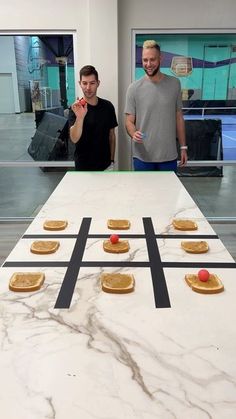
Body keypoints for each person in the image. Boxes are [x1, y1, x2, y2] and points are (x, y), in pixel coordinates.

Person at [125, 40, 188, 171]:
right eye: (145, 60)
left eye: (152, 59)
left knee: (168, 192)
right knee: (143, 192)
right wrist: (133, 133)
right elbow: (129, 121)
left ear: (160, 59)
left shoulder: (174, 84)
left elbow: (179, 118)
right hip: (142, 157)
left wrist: (183, 147)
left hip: (168, 156)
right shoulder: (133, 88)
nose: (148, 64)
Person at [69, 65, 118, 171]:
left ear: (98, 83)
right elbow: (74, 138)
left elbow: (112, 135)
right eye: (84, 83)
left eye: (92, 83)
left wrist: (112, 161)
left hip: (105, 166)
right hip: (83, 168)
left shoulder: (108, 106)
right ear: (80, 84)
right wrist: (80, 117)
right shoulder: (76, 108)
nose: (88, 88)